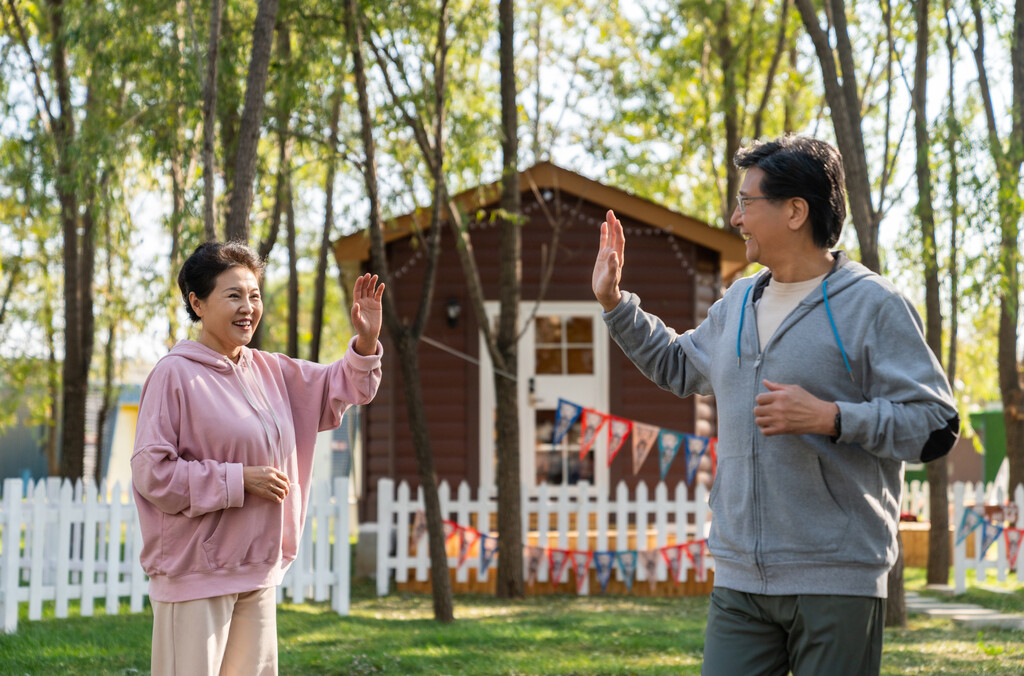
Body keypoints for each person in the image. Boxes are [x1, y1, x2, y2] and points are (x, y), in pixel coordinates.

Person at [591, 135, 959, 676]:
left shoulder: (874, 305)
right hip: (740, 579)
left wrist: (833, 418)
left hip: (837, 578)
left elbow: (937, 425)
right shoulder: (738, 301)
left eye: (747, 202)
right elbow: (677, 366)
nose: (737, 218)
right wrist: (614, 303)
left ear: (795, 211)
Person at [131, 241, 384, 676]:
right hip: (196, 576)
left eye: (254, 295)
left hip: (258, 570)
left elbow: (340, 387)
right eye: (233, 296)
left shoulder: (270, 371)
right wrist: (238, 479)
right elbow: (152, 474)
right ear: (197, 302)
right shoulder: (174, 374)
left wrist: (365, 341)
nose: (248, 307)